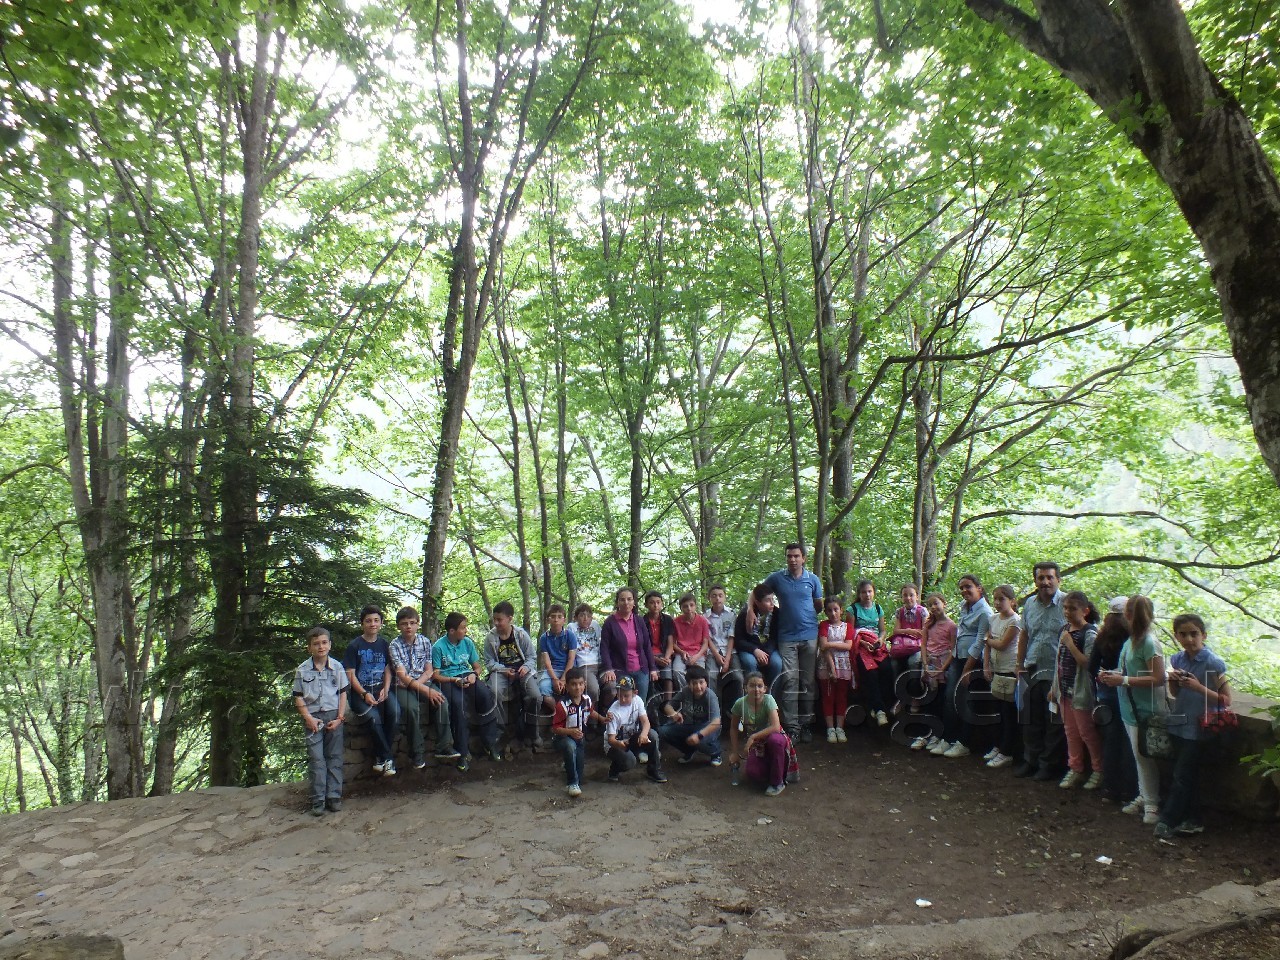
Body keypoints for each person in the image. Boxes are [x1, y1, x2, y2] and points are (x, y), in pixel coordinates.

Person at [1155, 613, 1231, 839]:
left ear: (1203, 635)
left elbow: (1226, 700)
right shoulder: (1178, 659)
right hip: (1180, 723)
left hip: (1199, 729)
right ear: (1177, 636)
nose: (1189, 639)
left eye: (1194, 634)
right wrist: (1173, 680)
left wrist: (1198, 687)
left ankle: (1167, 820)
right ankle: (1193, 819)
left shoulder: (1213, 663)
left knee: (1181, 776)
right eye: (1183, 634)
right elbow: (1175, 693)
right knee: (1187, 776)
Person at [1098, 595, 1166, 825]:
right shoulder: (1132, 641)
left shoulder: (1149, 643)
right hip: (1130, 708)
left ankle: (1152, 805)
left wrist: (1123, 680)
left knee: (1144, 757)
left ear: (1128, 615)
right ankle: (1144, 796)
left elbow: (1158, 678)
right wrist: (1113, 675)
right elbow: (1129, 669)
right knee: (1139, 756)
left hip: (1144, 710)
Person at [762, 544, 823, 743]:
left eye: (796, 556)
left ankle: (806, 724)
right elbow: (759, 593)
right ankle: (792, 727)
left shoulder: (813, 579)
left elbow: (819, 605)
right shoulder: (777, 578)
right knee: (790, 680)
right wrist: (751, 611)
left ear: (804, 558)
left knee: (808, 681)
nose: (793, 560)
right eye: (789, 556)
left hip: (810, 636)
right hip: (786, 637)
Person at [390, 606, 460, 768]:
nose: (408, 626)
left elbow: (429, 670)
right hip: (401, 686)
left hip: (420, 681)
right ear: (399, 626)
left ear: (418, 624)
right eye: (404, 623)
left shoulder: (425, 642)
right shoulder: (394, 645)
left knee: (441, 701)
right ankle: (417, 752)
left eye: (412, 623)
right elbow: (402, 675)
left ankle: (443, 747)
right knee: (412, 708)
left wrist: (419, 686)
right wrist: (424, 689)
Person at [1015, 562, 1067, 780]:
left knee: (1053, 720)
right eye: (1041, 578)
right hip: (1032, 667)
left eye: (1049, 577)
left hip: (1057, 671)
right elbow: (1024, 634)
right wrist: (1019, 664)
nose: (1045, 582)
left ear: (1058, 580)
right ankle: (1031, 761)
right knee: (1030, 719)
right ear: (1035, 581)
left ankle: (1049, 765)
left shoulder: (1067, 603)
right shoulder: (1030, 604)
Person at [432, 611, 502, 771]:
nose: (466, 630)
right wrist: (454, 680)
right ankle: (462, 752)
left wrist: (474, 675)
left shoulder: (467, 643)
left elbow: (477, 666)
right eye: (463, 628)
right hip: (448, 680)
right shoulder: (438, 647)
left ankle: (489, 743)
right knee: (458, 704)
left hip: (467, 676)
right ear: (452, 631)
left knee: (485, 695)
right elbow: (436, 675)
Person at [1051, 591, 1104, 789]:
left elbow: (1088, 663)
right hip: (1064, 690)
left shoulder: (1089, 633)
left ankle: (1098, 770)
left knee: (1087, 732)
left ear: (1085, 611)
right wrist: (1054, 687)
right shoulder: (1064, 630)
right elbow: (1058, 662)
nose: (1067, 612)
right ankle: (1075, 768)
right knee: (1070, 732)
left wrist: (1070, 644)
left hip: (1081, 691)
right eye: (1065, 608)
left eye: (1072, 609)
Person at [293, 627, 348, 815]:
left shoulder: (337, 667)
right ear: (309, 648)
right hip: (313, 719)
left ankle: (334, 797)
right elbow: (298, 697)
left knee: (334, 757)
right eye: (316, 644)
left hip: (333, 716)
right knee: (317, 759)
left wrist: (340, 718)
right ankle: (318, 800)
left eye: (324, 643)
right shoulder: (302, 670)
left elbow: (342, 693)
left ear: (330, 645)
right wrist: (308, 718)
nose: (321, 647)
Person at [1090, 598, 1138, 804]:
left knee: (1110, 741)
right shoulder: (1133, 639)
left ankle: (1110, 789)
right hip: (1127, 695)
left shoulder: (1101, 637)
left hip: (1106, 695)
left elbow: (1091, 666)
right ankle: (1130, 791)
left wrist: (1102, 676)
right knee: (1128, 743)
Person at [342, 605, 399, 776]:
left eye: (376, 620)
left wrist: (386, 689)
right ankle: (388, 758)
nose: (372, 624)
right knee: (374, 718)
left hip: (381, 689)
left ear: (381, 623)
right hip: (360, 693)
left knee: (395, 712)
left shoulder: (384, 644)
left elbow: (388, 669)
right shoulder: (354, 646)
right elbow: (350, 675)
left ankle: (380, 758)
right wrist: (364, 693)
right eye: (368, 621)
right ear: (362, 624)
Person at [946, 574, 993, 759]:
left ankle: (964, 743)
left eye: (968, 586)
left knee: (969, 701)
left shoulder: (985, 612)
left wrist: (967, 669)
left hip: (972, 661)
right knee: (951, 697)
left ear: (979, 588)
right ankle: (949, 738)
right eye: (962, 588)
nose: (964, 590)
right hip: (958, 657)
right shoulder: (964, 607)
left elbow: (981, 641)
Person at [483, 600, 542, 750]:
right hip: (501, 671)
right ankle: (500, 729)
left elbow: (531, 657)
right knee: (494, 691)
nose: (496, 623)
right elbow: (489, 662)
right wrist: (503, 670)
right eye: (494, 619)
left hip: (522, 671)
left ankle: (533, 732)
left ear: (510, 619)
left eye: (499, 619)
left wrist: (526, 667)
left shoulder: (521, 635)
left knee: (535, 696)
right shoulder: (491, 638)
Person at [729, 672, 794, 796]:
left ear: (765, 688)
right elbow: (733, 728)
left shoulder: (768, 700)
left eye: (760, 686)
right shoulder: (740, 704)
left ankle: (777, 783)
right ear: (745, 688)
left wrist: (753, 737)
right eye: (752, 685)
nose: (756, 689)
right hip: (757, 744)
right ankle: (772, 769)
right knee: (753, 773)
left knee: (775, 740)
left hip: (772, 737)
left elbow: (775, 727)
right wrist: (734, 752)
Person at [551, 667, 609, 797]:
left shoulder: (586, 700)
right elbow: (555, 728)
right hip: (563, 738)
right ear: (567, 686)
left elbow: (591, 711)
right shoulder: (562, 705)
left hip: (580, 739)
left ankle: (569, 765)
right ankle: (571, 783)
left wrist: (602, 718)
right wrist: (570, 732)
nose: (577, 687)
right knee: (570, 747)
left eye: (580, 684)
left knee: (580, 774)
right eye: (573, 684)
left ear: (585, 685)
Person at [981, 585, 1021, 769]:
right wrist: (986, 665)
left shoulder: (1015, 621)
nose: (997, 603)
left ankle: (1007, 751)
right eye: (995, 599)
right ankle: (998, 746)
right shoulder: (993, 618)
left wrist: (987, 639)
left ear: (1012, 601)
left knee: (1008, 713)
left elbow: (1003, 644)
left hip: (1009, 670)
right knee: (997, 712)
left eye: (1002, 599)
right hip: (996, 670)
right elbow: (988, 645)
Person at [604, 676, 667, 783]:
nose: (622, 699)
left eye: (626, 695)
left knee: (652, 735)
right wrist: (620, 744)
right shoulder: (613, 712)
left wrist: (644, 734)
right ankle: (615, 768)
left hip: (631, 738)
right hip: (615, 744)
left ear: (635, 693)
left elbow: (646, 722)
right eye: (619, 695)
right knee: (630, 762)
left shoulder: (638, 701)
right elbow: (611, 740)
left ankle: (654, 770)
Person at [600, 587, 658, 703]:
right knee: (623, 704)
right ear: (617, 603)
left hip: (641, 669)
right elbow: (604, 648)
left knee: (640, 704)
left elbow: (647, 645)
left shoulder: (639, 621)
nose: (626, 602)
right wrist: (609, 669)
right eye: (622, 600)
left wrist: (652, 669)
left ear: (634, 602)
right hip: (620, 670)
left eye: (629, 599)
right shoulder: (610, 622)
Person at [913, 592, 955, 752]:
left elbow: (953, 649)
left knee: (939, 702)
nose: (933, 607)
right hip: (929, 667)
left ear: (944, 603)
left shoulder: (952, 626)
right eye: (930, 605)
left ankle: (937, 735)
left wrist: (942, 669)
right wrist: (925, 663)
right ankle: (924, 734)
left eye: (936, 603)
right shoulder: (928, 624)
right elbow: (923, 645)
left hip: (942, 668)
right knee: (927, 701)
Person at [657, 664, 723, 765]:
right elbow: (667, 706)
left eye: (701, 682)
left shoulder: (710, 696)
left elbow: (716, 722)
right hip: (688, 724)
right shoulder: (685, 691)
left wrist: (699, 735)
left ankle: (715, 753)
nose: (698, 687)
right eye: (694, 683)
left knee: (700, 740)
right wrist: (674, 714)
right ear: (688, 684)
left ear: (706, 683)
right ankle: (688, 751)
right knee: (663, 731)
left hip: (707, 726)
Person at [538, 604, 578, 744]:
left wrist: (564, 678)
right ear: (548, 619)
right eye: (553, 617)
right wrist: (555, 679)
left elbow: (571, 658)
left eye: (559, 617)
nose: (556, 620)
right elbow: (547, 661)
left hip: (568, 669)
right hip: (552, 670)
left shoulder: (570, 635)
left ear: (564, 620)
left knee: (575, 688)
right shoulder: (544, 638)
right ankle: (561, 714)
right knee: (543, 688)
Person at [817, 597, 854, 742]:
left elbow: (848, 645)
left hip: (843, 666)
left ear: (841, 610)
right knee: (828, 696)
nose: (833, 613)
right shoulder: (824, 625)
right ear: (825, 612)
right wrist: (838, 645)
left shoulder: (848, 626)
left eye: (836, 609)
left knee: (841, 696)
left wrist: (830, 644)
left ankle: (840, 727)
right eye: (829, 610)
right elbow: (823, 646)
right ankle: (830, 728)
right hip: (826, 665)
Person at [887, 583, 928, 707]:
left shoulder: (922, 611)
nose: (908, 598)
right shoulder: (899, 612)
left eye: (911, 595)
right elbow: (896, 631)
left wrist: (905, 631)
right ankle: (900, 696)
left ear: (917, 596)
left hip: (918, 646)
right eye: (905, 595)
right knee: (894, 664)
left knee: (913, 662)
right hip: (902, 646)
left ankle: (915, 697)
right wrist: (910, 631)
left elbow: (925, 632)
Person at [705, 585, 740, 728]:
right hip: (712, 652)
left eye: (720, 595)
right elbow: (707, 639)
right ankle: (715, 714)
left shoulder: (731, 614)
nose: (717, 598)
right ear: (709, 598)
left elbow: (732, 638)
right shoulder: (705, 617)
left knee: (738, 677)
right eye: (714, 595)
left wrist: (727, 659)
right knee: (710, 676)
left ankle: (736, 713)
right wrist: (717, 656)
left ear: (725, 597)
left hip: (730, 651)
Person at [735, 584, 783, 687]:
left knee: (777, 663)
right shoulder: (745, 614)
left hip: (769, 648)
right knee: (750, 662)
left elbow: (775, 638)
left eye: (772, 599)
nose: (772, 603)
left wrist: (766, 653)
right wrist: (755, 650)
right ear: (757, 602)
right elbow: (739, 640)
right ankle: (753, 691)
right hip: (749, 649)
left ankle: (770, 693)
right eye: (767, 600)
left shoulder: (776, 613)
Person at [643, 591, 678, 702]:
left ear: (662, 604)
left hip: (664, 654)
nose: (655, 605)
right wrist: (654, 659)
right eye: (652, 602)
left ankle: (668, 704)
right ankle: (651, 704)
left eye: (658, 602)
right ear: (646, 605)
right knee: (650, 676)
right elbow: (641, 646)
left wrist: (667, 658)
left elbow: (670, 642)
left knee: (668, 676)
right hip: (648, 656)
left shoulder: (667, 620)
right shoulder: (642, 621)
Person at [670, 593, 711, 687]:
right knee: (677, 671)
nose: (689, 608)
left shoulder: (702, 621)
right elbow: (673, 643)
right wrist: (681, 652)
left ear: (695, 606)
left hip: (698, 653)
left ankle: (698, 693)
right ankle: (687, 692)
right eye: (685, 606)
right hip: (681, 653)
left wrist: (697, 656)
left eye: (691, 605)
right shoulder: (676, 622)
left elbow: (705, 643)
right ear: (681, 608)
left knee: (700, 675)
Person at [567, 603, 604, 708]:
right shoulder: (572, 627)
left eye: (588, 616)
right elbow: (571, 649)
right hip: (585, 665)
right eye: (582, 615)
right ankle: (591, 714)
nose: (585, 618)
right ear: (576, 617)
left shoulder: (595, 625)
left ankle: (604, 713)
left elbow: (603, 642)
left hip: (600, 664)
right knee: (593, 689)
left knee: (611, 687)